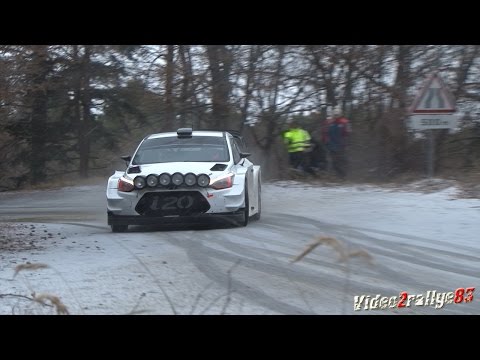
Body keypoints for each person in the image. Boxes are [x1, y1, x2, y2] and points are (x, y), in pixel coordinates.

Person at [322, 108, 351, 178]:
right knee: (334, 162)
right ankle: (339, 175)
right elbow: (325, 133)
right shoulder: (329, 123)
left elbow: (348, 134)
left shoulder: (345, 122)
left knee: (342, 160)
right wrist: (326, 141)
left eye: (337, 114)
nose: (336, 116)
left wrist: (347, 144)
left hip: (341, 145)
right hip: (332, 146)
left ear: (340, 114)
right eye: (335, 114)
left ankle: (344, 175)